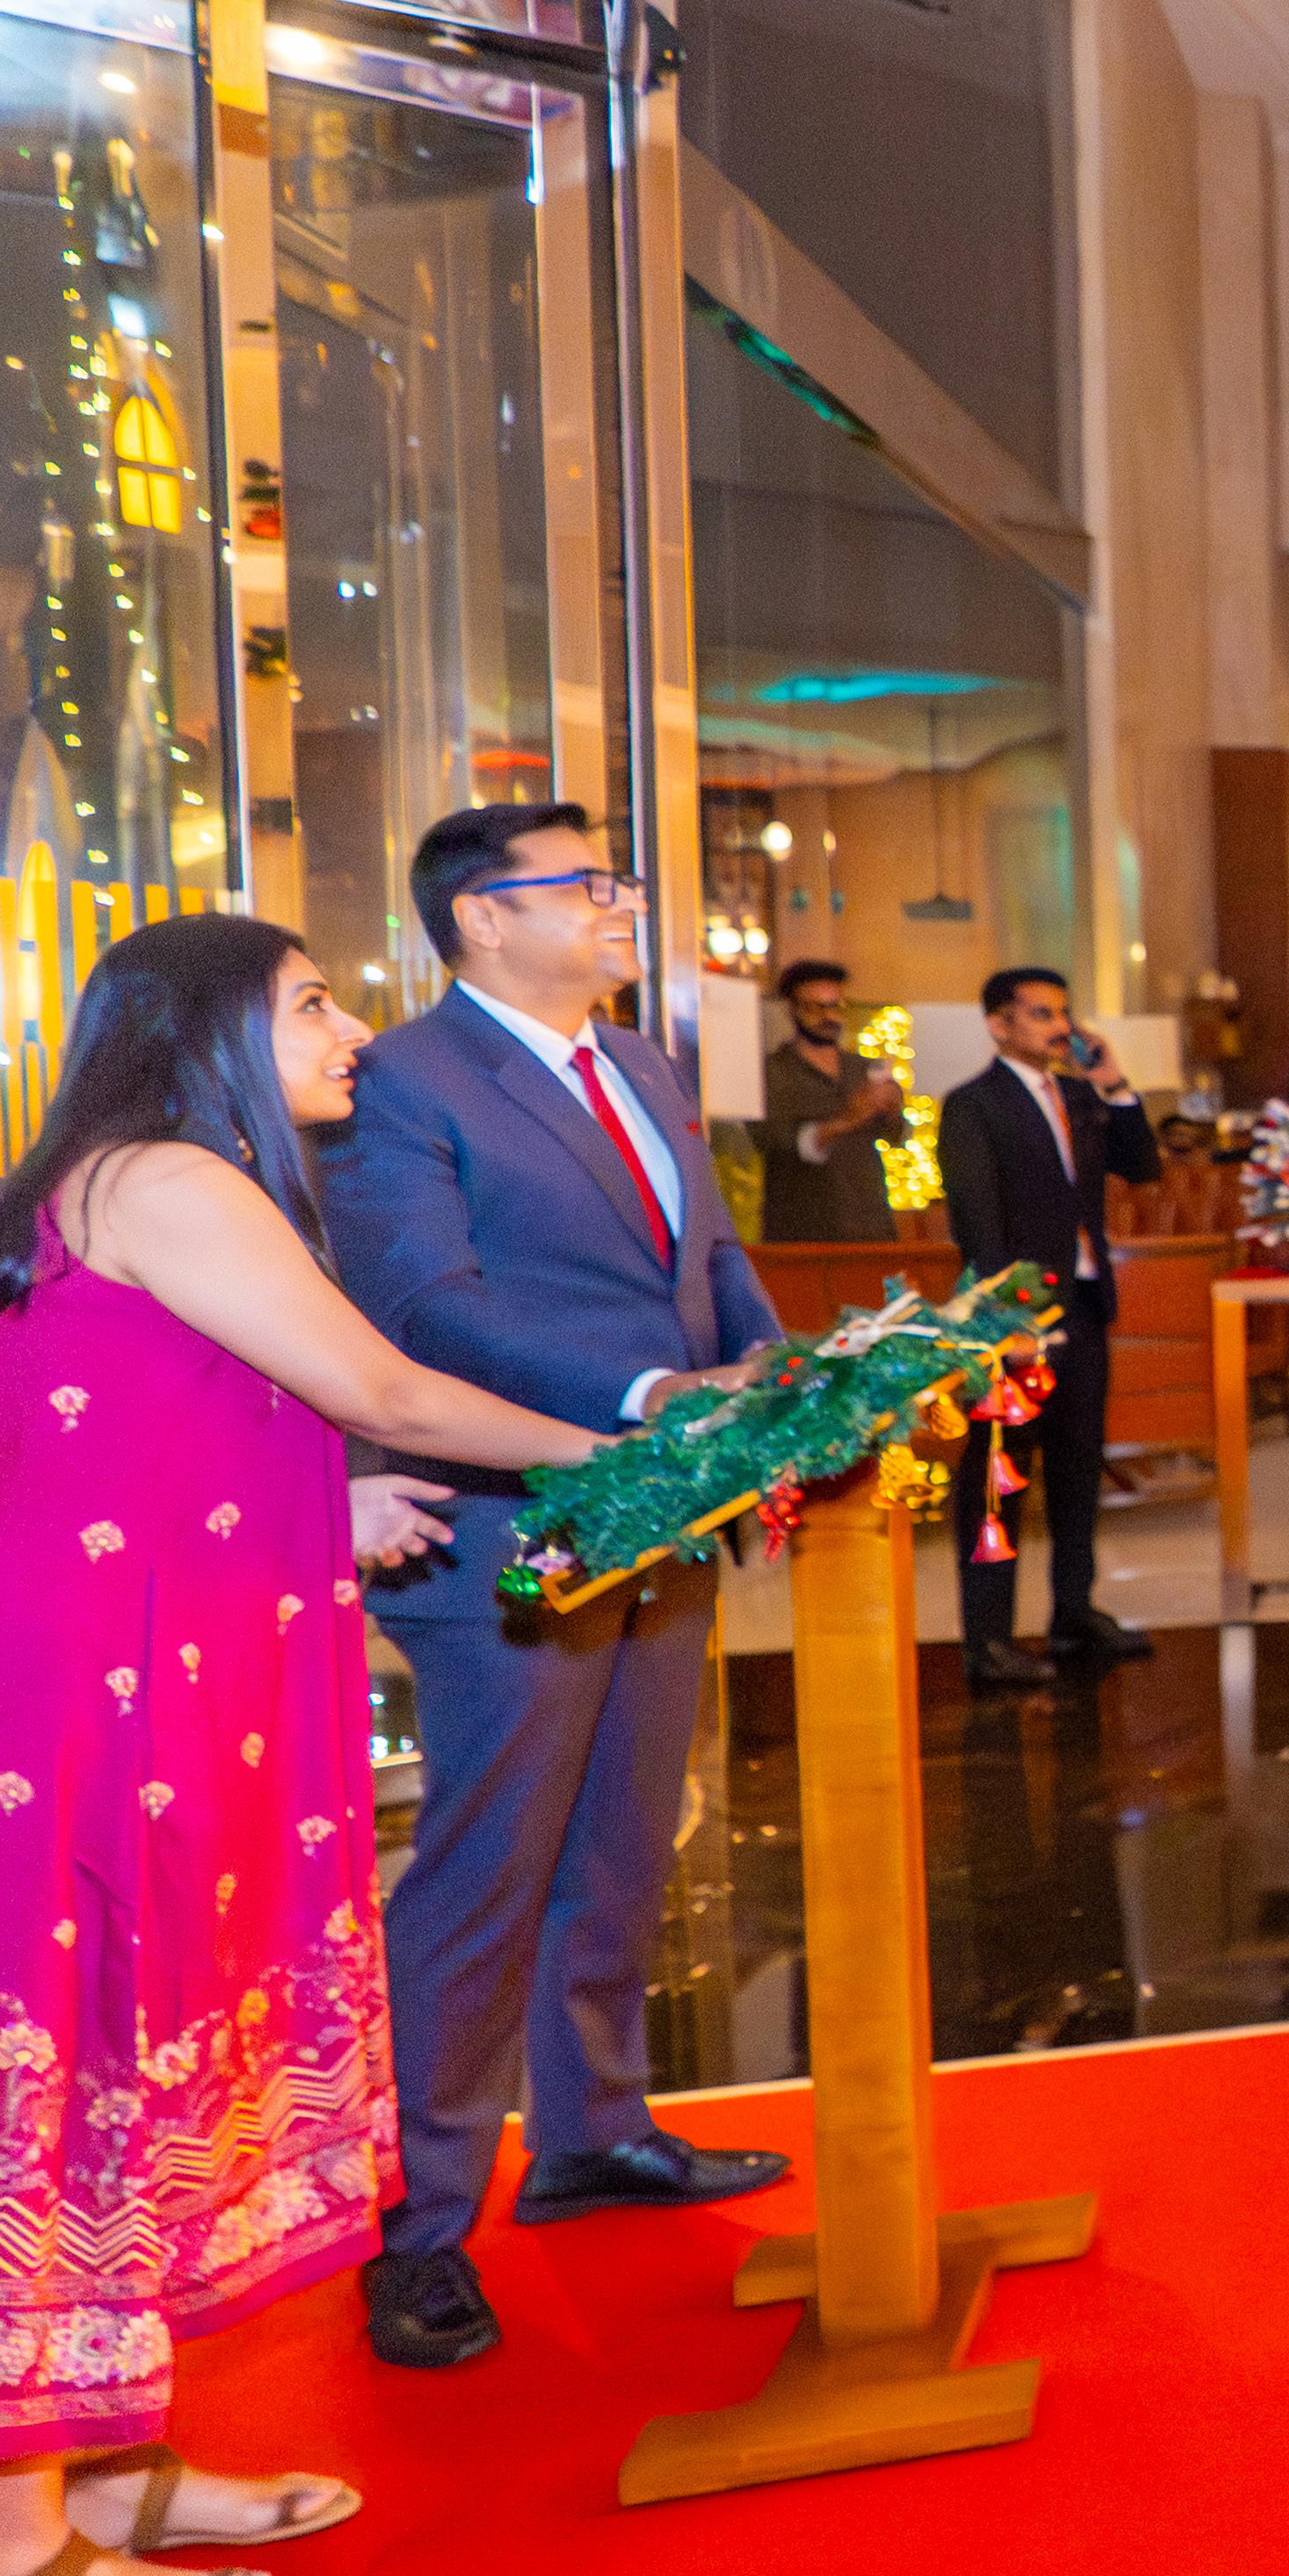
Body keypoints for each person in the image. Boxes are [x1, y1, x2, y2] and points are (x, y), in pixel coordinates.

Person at [0, 916, 600, 2576]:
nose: (353, 1027)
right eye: (311, 1001)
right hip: (59, 1714)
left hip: (91, 1684)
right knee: (45, 2078)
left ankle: (115, 2470)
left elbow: (149, 1431)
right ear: (201, 1029)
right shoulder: (170, 1178)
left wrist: (334, 1514)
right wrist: (629, 1441)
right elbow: (375, 1385)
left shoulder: (154, 1184)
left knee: (112, 2064)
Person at [318, 806, 787, 2376]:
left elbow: (706, 1260)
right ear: (477, 921)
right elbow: (422, 1311)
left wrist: (773, 1383)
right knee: (484, 1872)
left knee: (621, 1842)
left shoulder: (641, 1062)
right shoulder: (401, 1085)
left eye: (617, 880)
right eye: (585, 884)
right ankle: (417, 2222)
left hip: (665, 1515)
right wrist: (654, 1391)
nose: (620, 903)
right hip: (514, 1527)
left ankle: (591, 2129)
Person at [936, 964, 1166, 1686]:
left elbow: (1143, 1166)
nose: (1059, 1027)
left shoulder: (1079, 1093)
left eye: (1062, 1012)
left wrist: (1117, 1084)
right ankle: (989, 1639)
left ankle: (1074, 1613)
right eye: (1041, 1014)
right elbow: (978, 1221)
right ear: (1000, 1023)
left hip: (1086, 1310)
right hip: (1015, 1324)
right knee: (999, 1482)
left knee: (1076, 1470)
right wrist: (1011, 1319)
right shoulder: (973, 1105)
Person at [753, 959, 907, 1244]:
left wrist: (893, 1109)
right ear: (793, 1010)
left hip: (870, 1224)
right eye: (816, 1008)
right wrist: (846, 1120)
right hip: (805, 1229)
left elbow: (895, 1136)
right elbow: (775, 1141)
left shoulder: (862, 1068)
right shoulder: (771, 1072)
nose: (829, 1017)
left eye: (836, 1006)